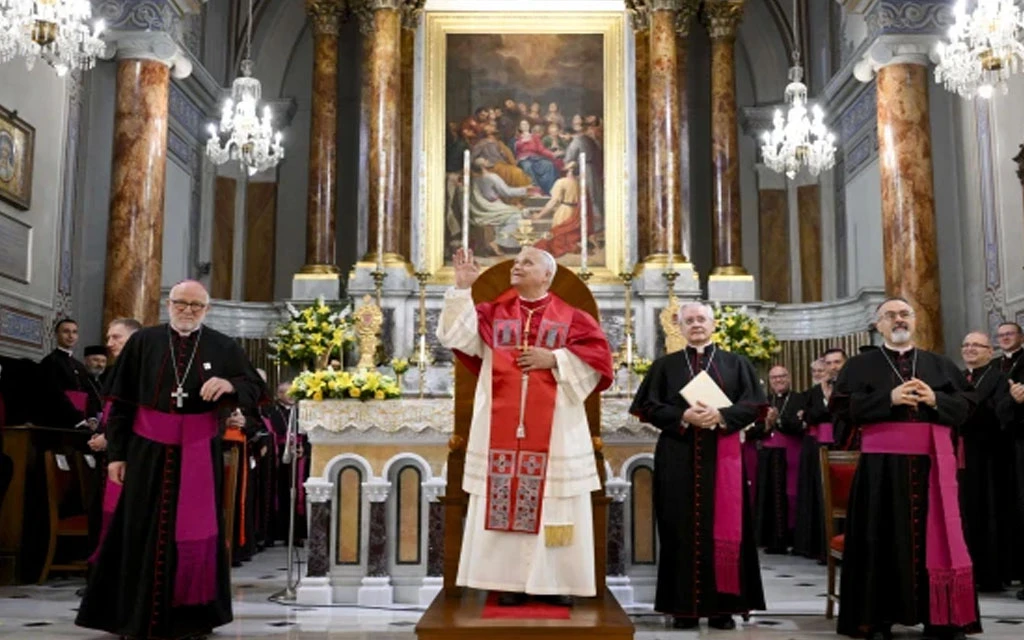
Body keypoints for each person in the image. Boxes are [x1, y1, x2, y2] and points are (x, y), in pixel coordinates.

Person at [75, 280, 266, 639]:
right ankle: (132, 616)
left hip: (198, 449)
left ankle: (192, 617)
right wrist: (117, 455)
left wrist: (229, 386)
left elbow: (255, 387)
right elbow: (121, 404)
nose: (188, 310)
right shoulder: (144, 342)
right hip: (146, 450)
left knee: (197, 532)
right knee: (138, 528)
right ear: (169, 304)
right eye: (182, 303)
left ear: (207, 310)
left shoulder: (223, 346)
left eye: (196, 305)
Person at [436, 246, 613, 605]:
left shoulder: (572, 317)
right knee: (506, 493)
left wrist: (556, 359)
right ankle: (509, 583)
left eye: (526, 263)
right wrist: (462, 291)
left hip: (558, 431)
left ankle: (556, 583)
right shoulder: (492, 313)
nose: (516, 267)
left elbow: (599, 363)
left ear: (546, 274)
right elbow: (454, 337)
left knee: (555, 502)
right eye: (515, 262)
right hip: (500, 428)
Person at [832, 298, 979, 640]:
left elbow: (969, 405)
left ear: (915, 321)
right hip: (880, 471)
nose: (898, 320)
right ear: (878, 324)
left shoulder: (939, 365)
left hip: (933, 468)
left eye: (904, 314)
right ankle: (877, 619)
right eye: (890, 315)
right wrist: (890, 398)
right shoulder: (859, 365)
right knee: (878, 537)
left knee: (938, 538)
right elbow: (840, 406)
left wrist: (935, 400)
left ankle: (941, 618)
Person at [629, 302, 766, 630]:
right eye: (688, 320)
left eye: (701, 319)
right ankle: (682, 608)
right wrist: (682, 416)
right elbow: (647, 406)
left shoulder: (737, 363)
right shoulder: (665, 366)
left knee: (727, 531)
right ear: (679, 326)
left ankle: (723, 609)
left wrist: (722, 416)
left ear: (713, 323)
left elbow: (755, 405)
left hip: (724, 455)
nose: (695, 325)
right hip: (678, 455)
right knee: (678, 528)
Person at [957, 331, 1006, 593]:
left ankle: (988, 574)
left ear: (990, 351)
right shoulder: (957, 376)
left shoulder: (998, 378)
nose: (971, 349)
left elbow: (1000, 413)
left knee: (985, 512)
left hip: (987, 456)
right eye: (966, 345)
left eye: (977, 345)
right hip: (959, 455)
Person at [793, 348, 848, 562]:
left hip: (844, 444)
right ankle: (822, 547)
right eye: (829, 363)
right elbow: (807, 416)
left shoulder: (850, 386)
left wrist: (814, 414)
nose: (832, 367)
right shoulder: (811, 393)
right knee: (820, 496)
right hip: (817, 448)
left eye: (837, 362)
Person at [754, 365, 805, 554]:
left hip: (792, 454)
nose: (778, 380)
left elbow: (800, 427)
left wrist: (779, 421)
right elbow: (754, 430)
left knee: (791, 496)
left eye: (782, 376)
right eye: (774, 377)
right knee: (769, 496)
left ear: (789, 377)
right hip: (768, 455)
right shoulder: (764, 402)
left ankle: (792, 538)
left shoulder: (800, 399)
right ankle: (772, 539)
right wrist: (767, 424)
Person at [998, 324, 1024, 599]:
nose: (1005, 338)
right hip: (999, 446)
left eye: (1010, 334)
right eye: (1001, 335)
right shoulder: (995, 365)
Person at [39, 318, 102, 428]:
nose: (71, 336)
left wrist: (92, 417)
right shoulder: (50, 361)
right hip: (59, 421)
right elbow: (55, 394)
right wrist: (78, 419)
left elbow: (89, 394)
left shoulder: (79, 366)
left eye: (74, 332)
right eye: (66, 331)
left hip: (83, 422)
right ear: (56, 334)